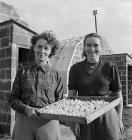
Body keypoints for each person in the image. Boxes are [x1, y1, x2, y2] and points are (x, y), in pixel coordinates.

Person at [9, 31, 64, 140]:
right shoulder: (22, 72)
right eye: (39, 47)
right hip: (24, 122)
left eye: (46, 48)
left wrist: (71, 122)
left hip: (48, 124)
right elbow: (12, 99)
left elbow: (61, 103)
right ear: (34, 47)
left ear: (51, 51)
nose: (42, 51)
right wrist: (26, 109)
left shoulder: (56, 75)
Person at [68, 33, 124, 140]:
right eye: (88, 45)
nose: (92, 48)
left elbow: (118, 97)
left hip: (107, 116)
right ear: (84, 48)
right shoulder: (75, 69)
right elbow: (71, 97)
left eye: (96, 45)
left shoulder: (110, 68)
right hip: (83, 116)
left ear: (101, 48)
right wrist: (74, 121)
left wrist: (119, 119)